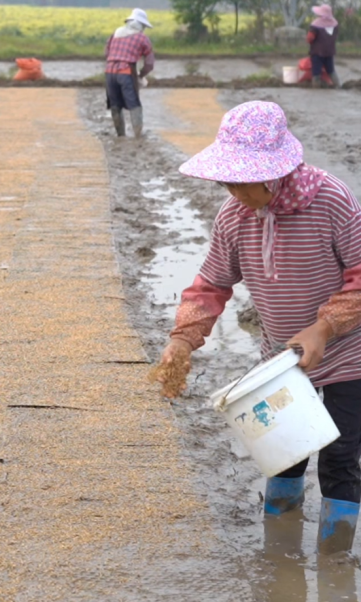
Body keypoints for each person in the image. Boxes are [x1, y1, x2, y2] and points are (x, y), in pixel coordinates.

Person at [155, 101, 361, 554]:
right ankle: (281, 556)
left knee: (340, 459)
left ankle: (335, 560)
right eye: (226, 181)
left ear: (275, 173)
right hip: (281, 360)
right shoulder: (234, 217)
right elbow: (211, 285)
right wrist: (183, 338)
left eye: (241, 180)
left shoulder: (331, 201)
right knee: (283, 454)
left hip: (349, 355)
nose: (233, 191)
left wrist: (324, 328)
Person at [104, 8, 155, 138]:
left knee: (115, 105)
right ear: (141, 25)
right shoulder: (142, 38)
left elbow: (107, 53)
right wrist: (141, 75)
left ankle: (120, 135)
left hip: (109, 72)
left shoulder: (115, 34)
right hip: (126, 72)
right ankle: (138, 136)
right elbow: (149, 64)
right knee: (134, 104)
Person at [308, 4, 341, 89]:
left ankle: (316, 88)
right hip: (330, 51)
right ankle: (338, 86)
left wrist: (310, 42)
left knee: (316, 72)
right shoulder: (335, 24)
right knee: (331, 70)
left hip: (317, 52)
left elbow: (310, 38)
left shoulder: (316, 25)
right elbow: (335, 36)